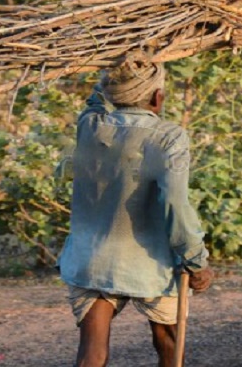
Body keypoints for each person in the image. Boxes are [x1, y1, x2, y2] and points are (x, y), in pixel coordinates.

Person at [57, 56, 214, 367]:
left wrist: (117, 57)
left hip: (92, 260)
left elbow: (96, 95)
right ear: (158, 98)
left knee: (92, 353)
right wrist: (197, 260)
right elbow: (175, 203)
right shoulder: (168, 136)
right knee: (169, 344)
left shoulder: (90, 125)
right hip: (150, 264)